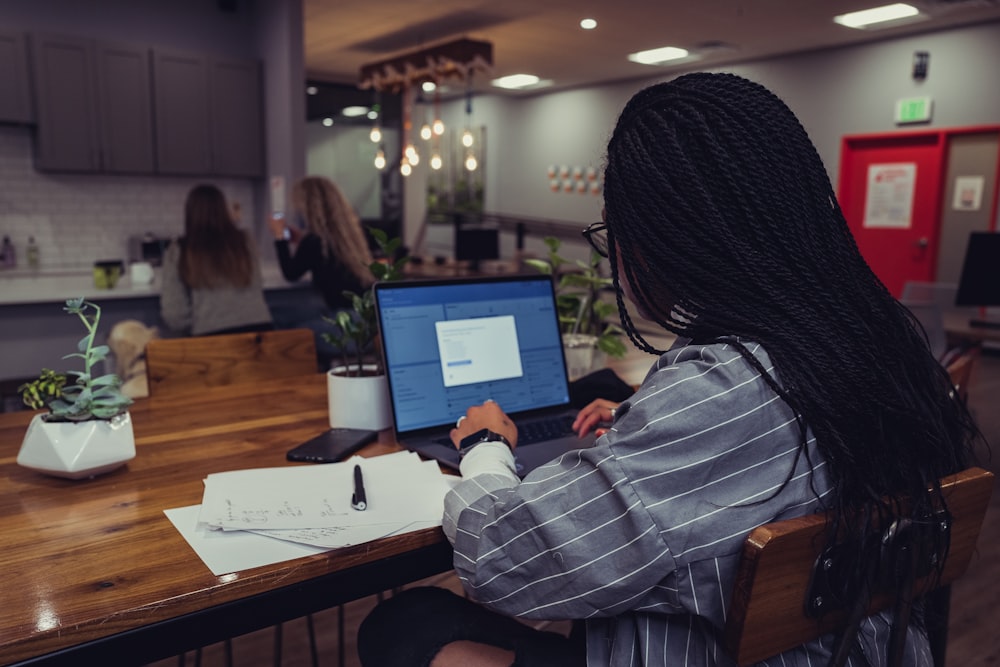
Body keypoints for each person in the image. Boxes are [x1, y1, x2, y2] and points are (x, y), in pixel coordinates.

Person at [356, 73, 984, 666]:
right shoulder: (876, 344)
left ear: (663, 240)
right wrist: (642, 426)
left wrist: (487, 448)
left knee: (405, 622)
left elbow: (507, 561)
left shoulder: (725, 385)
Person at [267, 176, 374, 365]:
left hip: (343, 328)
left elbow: (290, 273)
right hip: (367, 326)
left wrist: (279, 236)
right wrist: (300, 239)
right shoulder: (349, 239)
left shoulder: (314, 242)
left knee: (281, 328)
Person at [160, 184, 273, 336]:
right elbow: (257, 283)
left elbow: (174, 315)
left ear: (189, 213)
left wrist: (200, 322)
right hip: (261, 335)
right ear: (224, 210)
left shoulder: (178, 249)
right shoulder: (245, 241)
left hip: (211, 339)